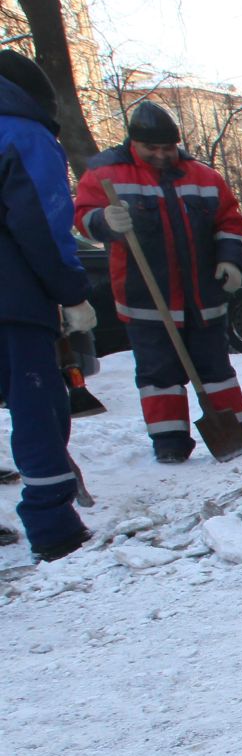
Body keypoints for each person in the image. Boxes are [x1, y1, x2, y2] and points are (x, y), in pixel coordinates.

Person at [75, 101, 242, 462]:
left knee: (217, 371)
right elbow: (83, 217)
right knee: (159, 374)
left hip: (203, 294)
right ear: (134, 143)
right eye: (152, 149)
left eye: (167, 148)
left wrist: (229, 260)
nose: (161, 155)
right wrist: (104, 221)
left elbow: (230, 223)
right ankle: (170, 442)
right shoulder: (107, 175)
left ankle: (236, 434)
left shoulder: (204, 178)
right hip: (145, 295)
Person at [0, 51, 93, 561]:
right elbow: (44, 222)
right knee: (38, 408)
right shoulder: (21, 132)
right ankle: (53, 525)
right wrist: (70, 291)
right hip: (11, 304)